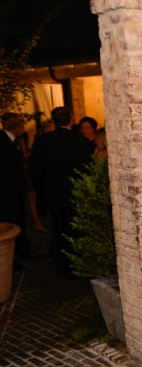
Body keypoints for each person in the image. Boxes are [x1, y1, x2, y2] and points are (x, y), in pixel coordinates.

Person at [30, 106, 93, 274]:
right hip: (75, 191)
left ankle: (59, 260)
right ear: (71, 119)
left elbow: (35, 170)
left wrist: (41, 193)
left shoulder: (43, 141)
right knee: (74, 226)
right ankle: (74, 262)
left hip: (52, 192)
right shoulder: (80, 141)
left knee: (58, 225)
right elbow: (88, 168)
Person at [0, 113, 30, 262]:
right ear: (16, 126)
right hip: (8, 192)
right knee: (13, 221)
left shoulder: (12, 141)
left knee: (18, 219)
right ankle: (16, 257)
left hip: (14, 190)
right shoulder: (3, 142)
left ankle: (22, 253)